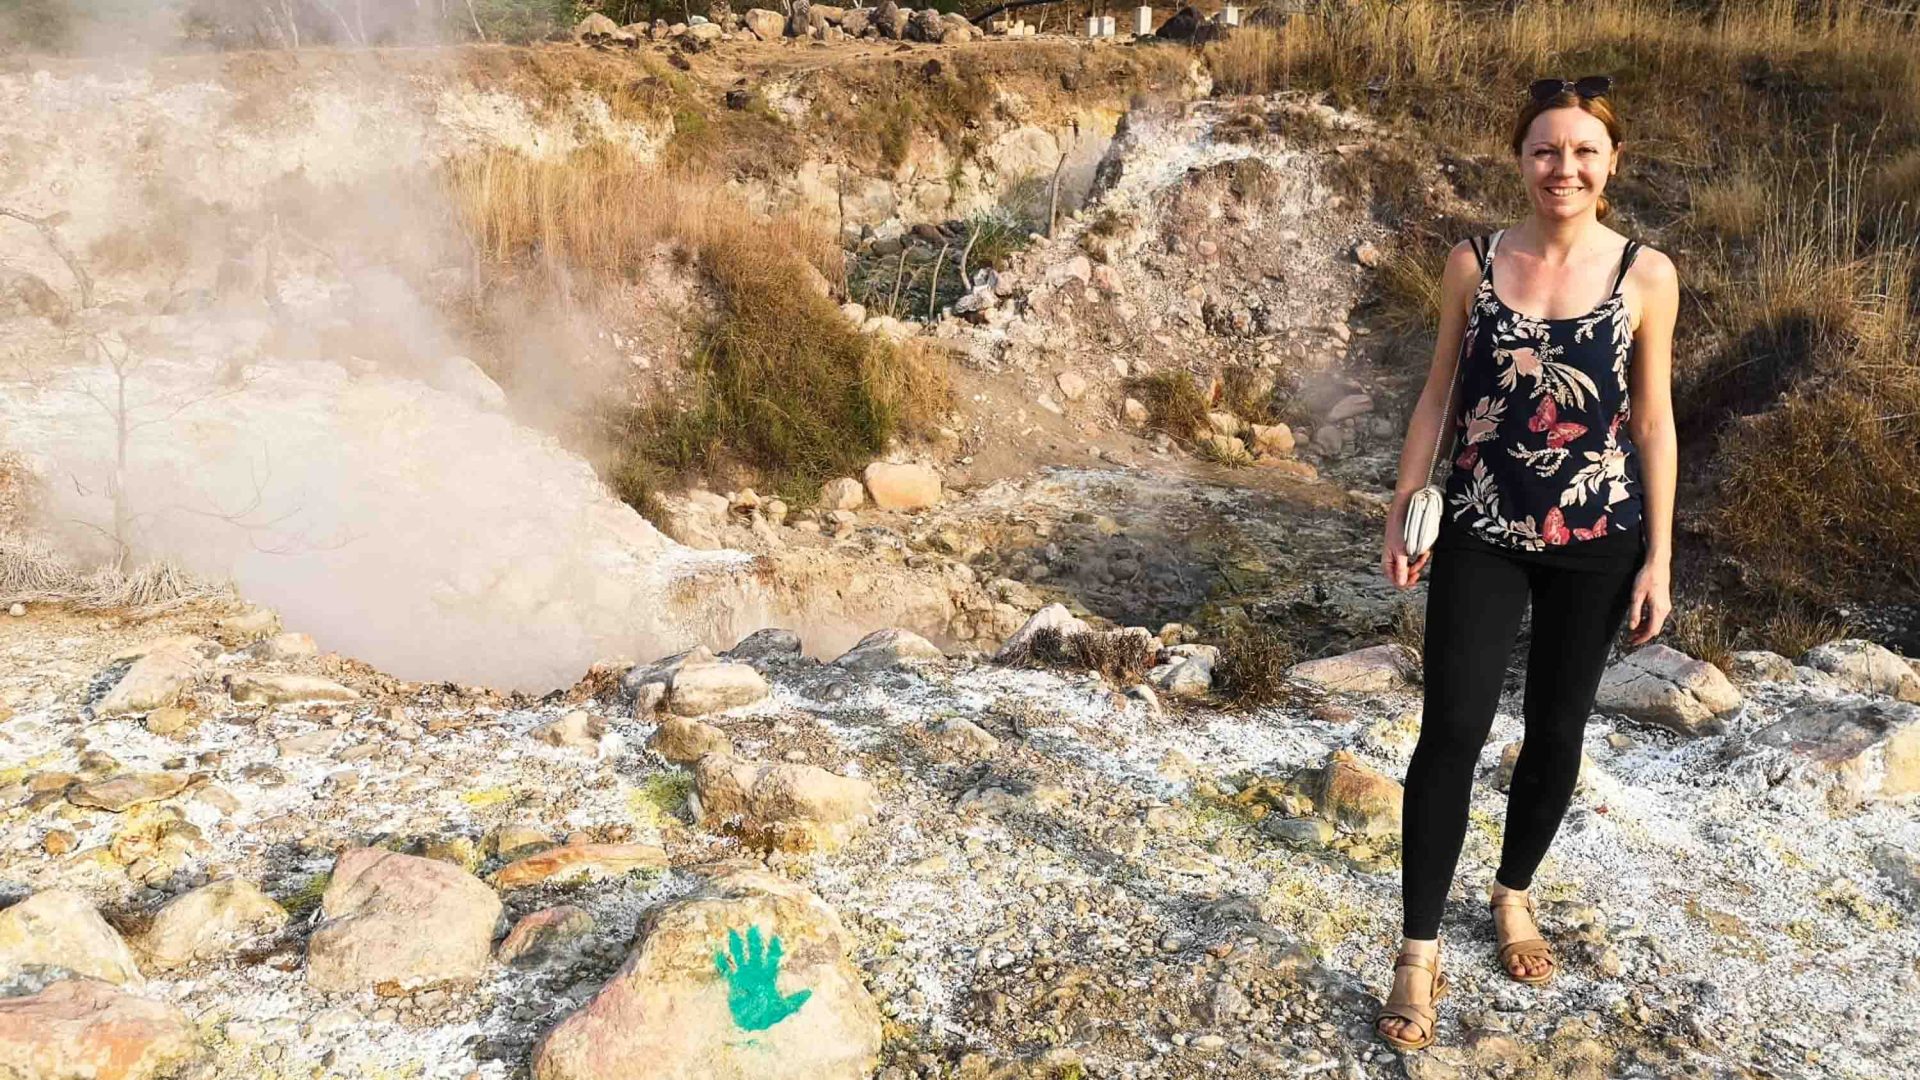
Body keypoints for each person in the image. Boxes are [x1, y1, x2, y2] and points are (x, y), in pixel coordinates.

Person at [1372, 75, 1678, 1053]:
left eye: (1584, 151)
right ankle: (1417, 952)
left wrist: (1660, 556)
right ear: (1520, 157)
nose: (1564, 168)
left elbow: (1653, 422)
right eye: (1546, 149)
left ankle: (1512, 894)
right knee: (1452, 729)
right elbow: (1438, 395)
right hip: (1480, 526)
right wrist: (1406, 505)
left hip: (1599, 542)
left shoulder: (1646, 274)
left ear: (1612, 162)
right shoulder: (1473, 261)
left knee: (1555, 729)